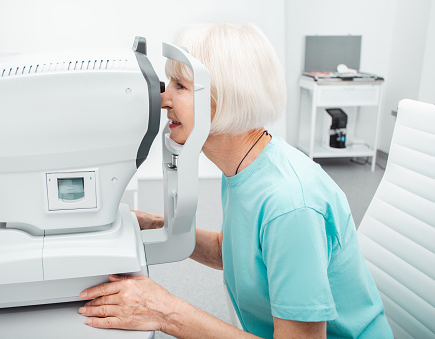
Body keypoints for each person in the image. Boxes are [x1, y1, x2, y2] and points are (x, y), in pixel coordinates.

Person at [77, 22, 394, 339]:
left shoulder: (290, 205)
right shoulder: (247, 167)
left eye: (180, 86)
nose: (162, 99)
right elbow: (226, 251)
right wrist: (154, 223)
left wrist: (164, 312)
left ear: (225, 97)